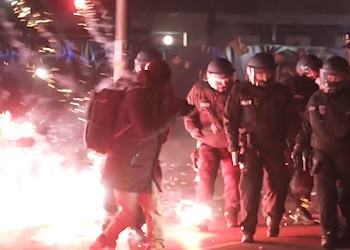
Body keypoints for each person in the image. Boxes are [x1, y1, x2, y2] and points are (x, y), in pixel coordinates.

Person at [89, 60, 188, 250]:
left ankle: (157, 246)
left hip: (144, 165)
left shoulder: (152, 95)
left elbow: (157, 130)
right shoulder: (136, 95)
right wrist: (173, 113)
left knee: (154, 211)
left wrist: (177, 111)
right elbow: (145, 131)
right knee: (128, 213)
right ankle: (100, 244)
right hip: (125, 165)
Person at [293, 56, 350, 249]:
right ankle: (327, 234)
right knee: (325, 197)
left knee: (347, 196)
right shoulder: (316, 98)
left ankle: (345, 232)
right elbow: (306, 127)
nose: (333, 81)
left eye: (337, 78)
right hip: (322, 154)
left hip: (348, 154)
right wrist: (299, 146)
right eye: (330, 77)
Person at [224, 52, 299, 243]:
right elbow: (230, 120)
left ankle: (274, 219)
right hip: (250, 147)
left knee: (277, 185)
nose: (265, 78)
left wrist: (293, 146)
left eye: (268, 74)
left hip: (276, 146)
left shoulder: (282, 92)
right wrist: (233, 148)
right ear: (251, 73)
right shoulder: (240, 91)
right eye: (260, 74)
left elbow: (292, 120)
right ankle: (247, 229)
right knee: (249, 189)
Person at [101, 47, 167, 242]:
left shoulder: (150, 90)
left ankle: (117, 231)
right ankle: (111, 230)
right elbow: (146, 127)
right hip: (128, 153)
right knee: (123, 191)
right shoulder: (133, 90)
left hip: (135, 153)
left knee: (133, 192)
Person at [184, 58, 240, 230]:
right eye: (219, 80)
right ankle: (203, 216)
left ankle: (232, 213)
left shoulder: (238, 90)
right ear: (209, 78)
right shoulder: (199, 91)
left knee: (232, 179)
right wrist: (193, 130)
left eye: (227, 80)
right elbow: (189, 114)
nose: (223, 84)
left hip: (231, 144)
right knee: (205, 178)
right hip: (207, 143)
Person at [281, 54, 321, 225]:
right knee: (283, 175)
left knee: (305, 176)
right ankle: (279, 207)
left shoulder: (316, 88)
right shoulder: (288, 84)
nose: (315, 75)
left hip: (307, 138)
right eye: (313, 71)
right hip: (287, 138)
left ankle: (301, 207)